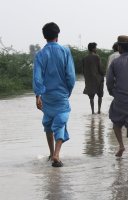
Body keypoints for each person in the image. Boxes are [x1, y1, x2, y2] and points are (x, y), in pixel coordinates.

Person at [33, 22, 76, 167]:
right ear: (57, 35)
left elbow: (37, 77)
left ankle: (51, 153)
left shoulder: (40, 54)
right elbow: (70, 75)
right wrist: (68, 92)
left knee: (48, 122)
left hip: (46, 96)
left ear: (44, 36)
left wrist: (38, 95)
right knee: (61, 121)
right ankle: (57, 154)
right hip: (61, 94)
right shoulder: (65, 51)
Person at [82, 42, 105, 114]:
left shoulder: (85, 58)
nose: (96, 49)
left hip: (89, 80)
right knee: (100, 95)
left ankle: (92, 112)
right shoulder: (97, 57)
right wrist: (103, 75)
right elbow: (100, 68)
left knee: (91, 97)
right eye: (95, 48)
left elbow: (84, 70)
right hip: (98, 79)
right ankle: (99, 110)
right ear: (93, 49)